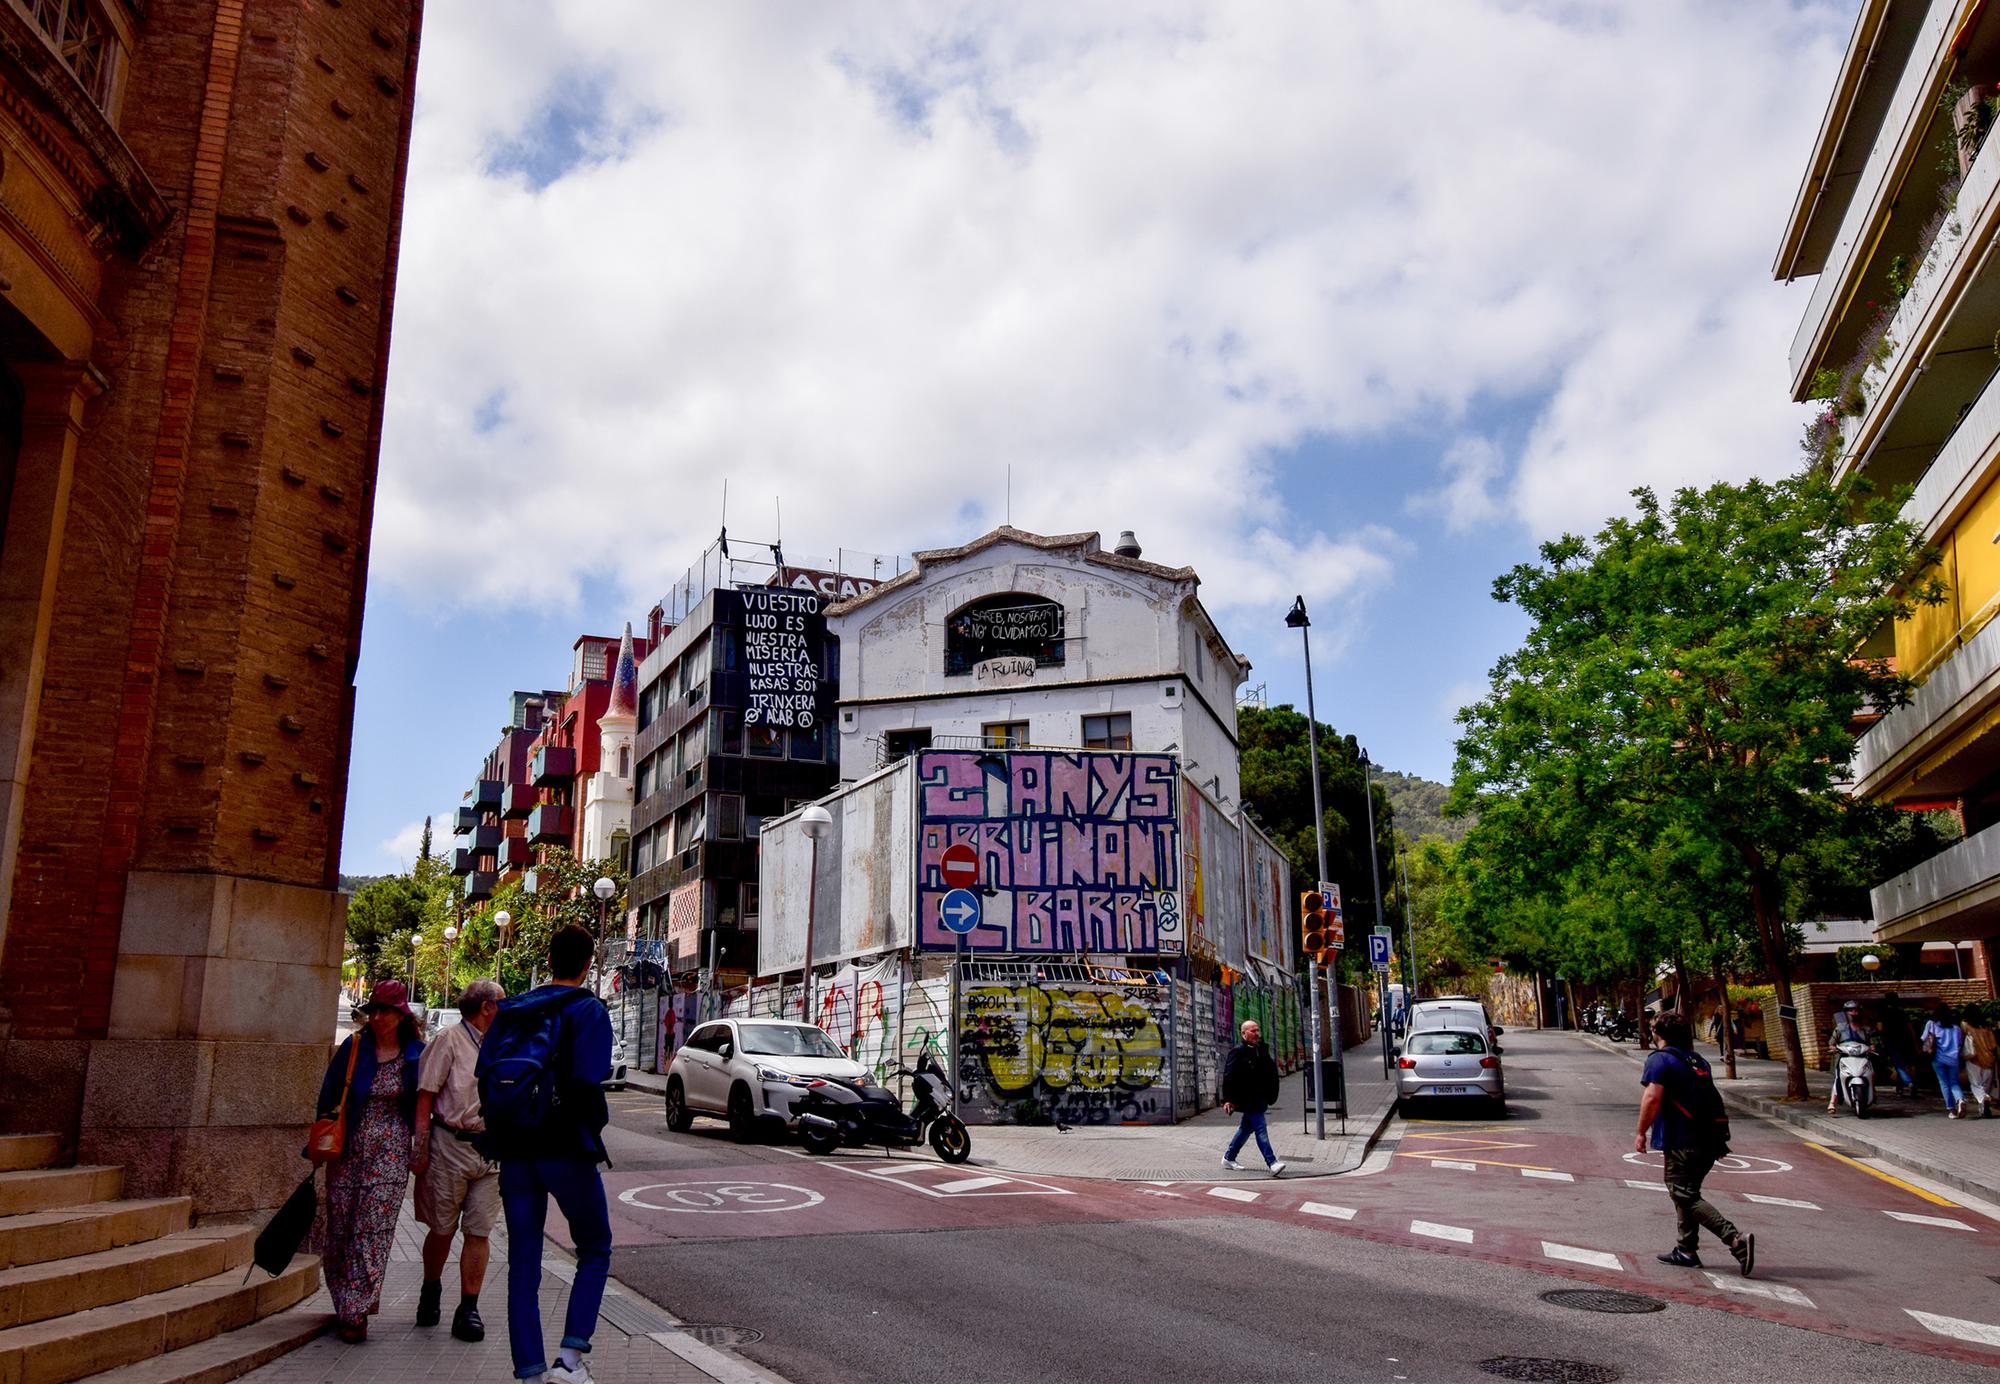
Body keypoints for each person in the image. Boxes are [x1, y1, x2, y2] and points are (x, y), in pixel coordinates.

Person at [484, 925, 615, 1384]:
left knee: (523, 1262)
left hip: (515, 1151)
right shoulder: (587, 1009)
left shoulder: (514, 1009)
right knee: (595, 1248)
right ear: (587, 963)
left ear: (551, 958)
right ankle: (570, 1360)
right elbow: (591, 1076)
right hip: (565, 1148)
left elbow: (485, 1074)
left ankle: (529, 1372)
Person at [316, 979, 424, 1343]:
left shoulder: (415, 1054)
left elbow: (426, 1106)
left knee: (372, 1231)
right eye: (374, 1010)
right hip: (348, 1148)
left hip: (391, 1152)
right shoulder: (355, 1046)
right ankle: (344, 1299)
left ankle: (356, 1310)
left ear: (400, 1015)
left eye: (386, 1011)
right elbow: (329, 1094)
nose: (378, 1017)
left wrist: (422, 1149)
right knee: (341, 1228)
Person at [413, 979, 505, 1342]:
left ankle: (469, 1308)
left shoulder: (501, 1045)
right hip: (449, 1145)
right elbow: (425, 1095)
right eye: (501, 1003)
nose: (505, 1009)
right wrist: (419, 1147)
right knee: (442, 1229)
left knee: (479, 1230)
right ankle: (430, 1289)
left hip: (491, 1149)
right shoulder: (448, 1040)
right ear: (486, 1007)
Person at [1635, 1011, 1753, 1275]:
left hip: (1682, 1140)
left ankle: (1735, 1239)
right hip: (1709, 1140)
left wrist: (1641, 1131)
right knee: (1687, 1193)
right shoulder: (1697, 1060)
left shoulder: (1659, 1060)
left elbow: (1652, 1098)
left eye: (1653, 1027)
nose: (1651, 1031)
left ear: (1660, 1033)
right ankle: (1686, 1249)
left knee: (1682, 1192)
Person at [1220, 1019, 1286, 1177]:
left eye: (1258, 1030)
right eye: (1253, 1031)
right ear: (1243, 1033)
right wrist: (1227, 1099)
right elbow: (1228, 1076)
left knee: (1245, 1129)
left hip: (1260, 1097)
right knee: (1260, 1130)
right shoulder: (1237, 1051)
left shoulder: (1260, 1050)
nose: (1257, 1034)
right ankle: (1272, 1162)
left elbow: (1269, 1071)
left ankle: (1228, 1157)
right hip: (1247, 1098)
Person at [1923, 1005, 1968, 1118]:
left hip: (1938, 1059)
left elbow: (1924, 1040)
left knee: (1944, 1083)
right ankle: (1960, 1099)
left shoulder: (1931, 1025)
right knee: (1954, 1082)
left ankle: (1951, 1110)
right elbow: (1960, 1043)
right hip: (1953, 1059)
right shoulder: (1956, 1028)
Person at [1827, 1001, 1871, 1114]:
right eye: (1850, 1010)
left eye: (1856, 1010)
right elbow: (1832, 1042)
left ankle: (1872, 1092)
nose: (1853, 1013)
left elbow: (1872, 1041)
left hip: (1862, 1056)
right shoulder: (1840, 1028)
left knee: (1872, 1071)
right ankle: (1832, 1102)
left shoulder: (1865, 1029)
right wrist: (1833, 1048)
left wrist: (1872, 1047)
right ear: (1846, 1013)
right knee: (1838, 1077)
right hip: (1845, 1056)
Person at [1962, 1007, 1997, 1118]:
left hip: (1974, 1059)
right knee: (1986, 1084)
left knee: (1976, 1084)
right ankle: (1983, 1107)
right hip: (1989, 1059)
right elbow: (1994, 1046)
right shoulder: (1987, 1028)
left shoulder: (1966, 1026)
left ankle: (1983, 1098)